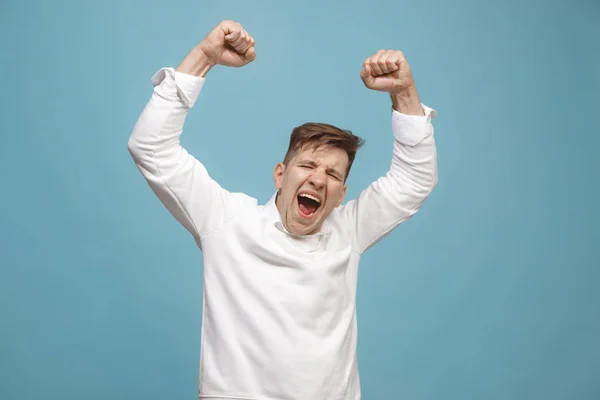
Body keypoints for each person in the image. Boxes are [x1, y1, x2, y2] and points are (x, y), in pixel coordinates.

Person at [128, 19, 438, 400]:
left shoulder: (349, 230)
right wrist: (205, 57)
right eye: (307, 166)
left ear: (341, 195)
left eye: (332, 174)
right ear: (281, 174)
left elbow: (414, 180)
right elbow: (150, 147)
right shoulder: (226, 220)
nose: (318, 180)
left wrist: (404, 94)